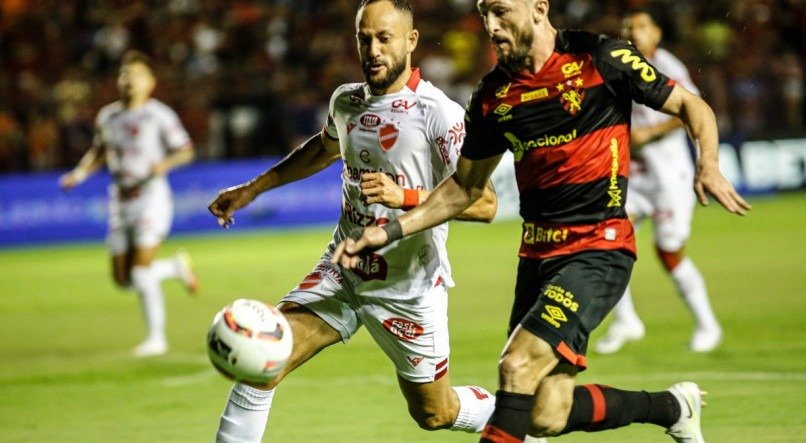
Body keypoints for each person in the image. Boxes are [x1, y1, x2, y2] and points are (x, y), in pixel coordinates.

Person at [333, 1, 752, 442]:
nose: (491, 27)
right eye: (484, 16)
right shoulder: (493, 96)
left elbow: (692, 105)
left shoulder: (599, 58)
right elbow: (463, 189)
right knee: (547, 414)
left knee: (517, 365)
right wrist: (389, 229)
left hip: (598, 247)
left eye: (501, 13)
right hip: (537, 255)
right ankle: (673, 407)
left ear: (538, 8)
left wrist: (708, 163)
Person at [207, 1, 499, 441]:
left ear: (411, 41)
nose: (373, 50)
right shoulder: (346, 101)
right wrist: (253, 188)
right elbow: (321, 149)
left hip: (407, 286)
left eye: (385, 38)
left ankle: (517, 420)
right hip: (343, 269)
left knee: (435, 414)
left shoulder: (439, 114)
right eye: (365, 38)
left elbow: (485, 203)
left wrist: (405, 196)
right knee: (262, 360)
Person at [595, 7, 723, 355]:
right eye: (627, 27)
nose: (632, 33)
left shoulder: (668, 66)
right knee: (607, 243)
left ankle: (707, 324)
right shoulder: (617, 63)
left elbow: (691, 108)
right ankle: (626, 321)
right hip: (632, 177)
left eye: (640, 27)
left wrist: (649, 133)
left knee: (668, 252)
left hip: (669, 176)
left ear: (656, 34)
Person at [60, 50, 199, 358]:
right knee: (122, 280)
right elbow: (99, 151)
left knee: (139, 272)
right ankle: (174, 268)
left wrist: (163, 165)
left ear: (150, 82)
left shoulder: (159, 114)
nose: (128, 80)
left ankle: (156, 339)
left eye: (135, 75)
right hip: (119, 200)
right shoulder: (108, 116)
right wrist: (78, 174)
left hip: (151, 197)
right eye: (124, 74)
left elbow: (186, 150)